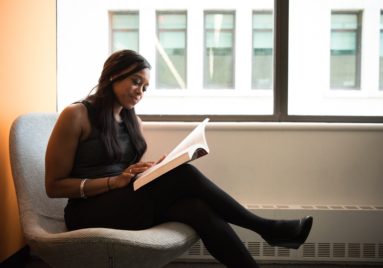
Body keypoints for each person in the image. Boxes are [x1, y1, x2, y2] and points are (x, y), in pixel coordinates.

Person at [45, 49, 313, 268]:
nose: (140, 91)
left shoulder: (131, 120)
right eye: (136, 81)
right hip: (86, 211)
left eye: (146, 87)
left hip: (122, 204)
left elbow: (123, 171)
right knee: (183, 176)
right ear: (114, 75)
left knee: (197, 208)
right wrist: (112, 182)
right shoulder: (76, 114)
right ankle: (266, 228)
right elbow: (54, 186)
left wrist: (148, 170)